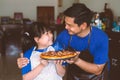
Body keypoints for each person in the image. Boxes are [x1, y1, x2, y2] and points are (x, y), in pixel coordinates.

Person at [17, 3, 109, 80]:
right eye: (65, 24)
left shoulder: (100, 38)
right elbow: (43, 46)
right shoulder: (64, 35)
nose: (65, 27)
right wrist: (22, 58)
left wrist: (76, 60)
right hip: (73, 76)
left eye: (69, 25)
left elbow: (98, 69)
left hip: (96, 77)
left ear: (83, 25)